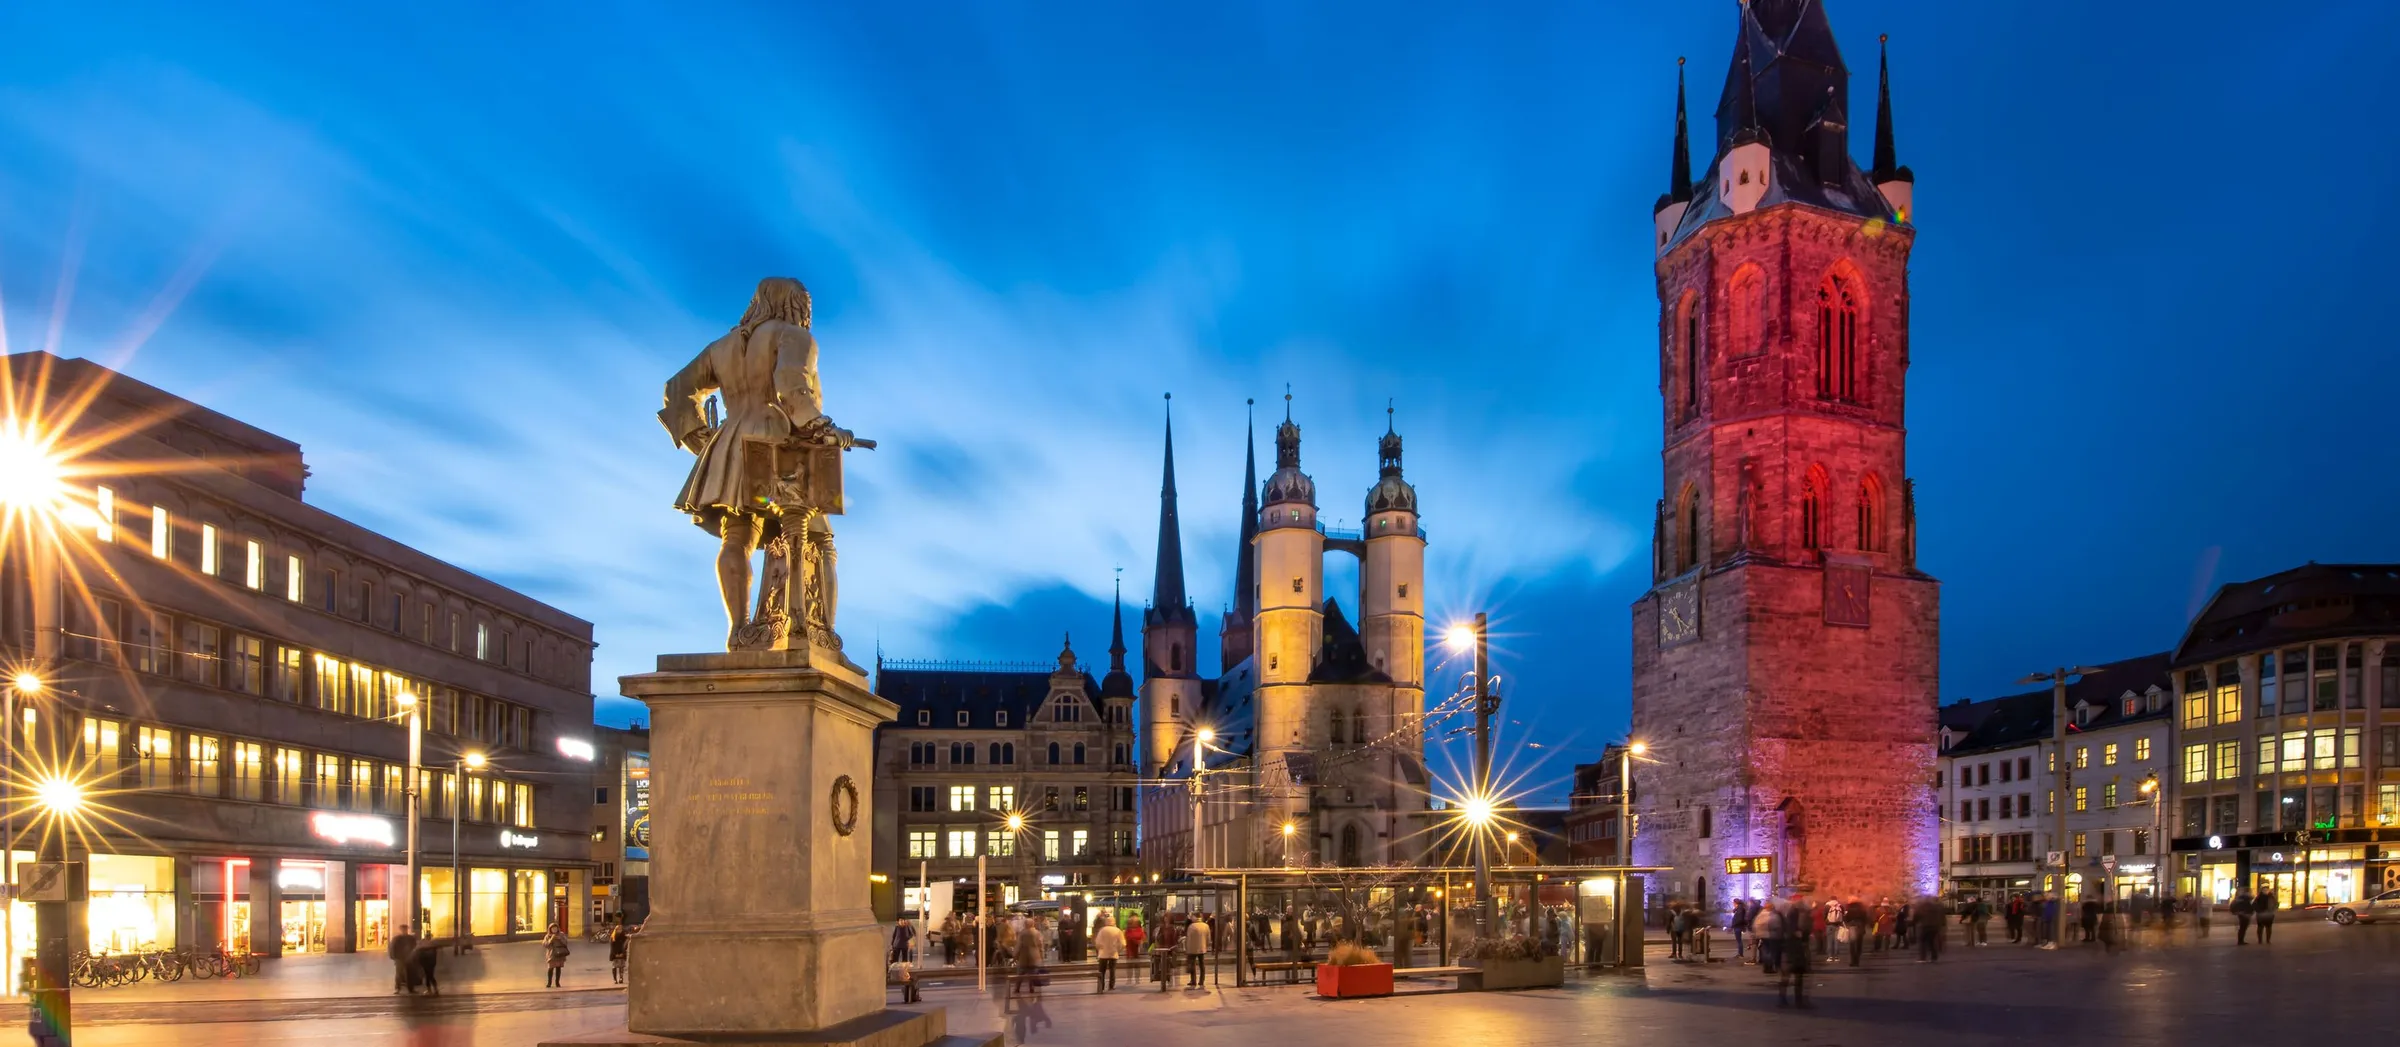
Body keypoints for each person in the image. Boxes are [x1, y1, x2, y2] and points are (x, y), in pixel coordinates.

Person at [1777, 900, 1811, 1008]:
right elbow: (1804, 935)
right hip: (1795, 951)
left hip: (1787, 951)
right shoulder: (1797, 924)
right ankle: (1798, 1001)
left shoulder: (1784, 921)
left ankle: (1783, 1000)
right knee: (1797, 977)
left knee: (1786, 977)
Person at [1094, 913, 1125, 992]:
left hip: (1103, 954)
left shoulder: (1102, 930)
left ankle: (1101, 986)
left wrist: (1100, 949)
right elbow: (1123, 943)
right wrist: (1118, 950)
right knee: (1112, 970)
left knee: (1102, 971)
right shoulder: (1118, 930)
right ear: (1114, 922)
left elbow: (1097, 942)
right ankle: (1111, 986)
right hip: (1113, 953)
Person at [1753, 899, 1784, 975]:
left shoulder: (1760, 915)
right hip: (1771, 935)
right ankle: (1769, 967)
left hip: (1762, 935)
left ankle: (1766, 966)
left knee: (1765, 951)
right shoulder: (1772, 915)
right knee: (1771, 952)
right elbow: (1776, 925)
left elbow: (1755, 925)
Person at [389, 923, 420, 994]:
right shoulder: (397, 939)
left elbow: (414, 948)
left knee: (409, 974)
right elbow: (392, 948)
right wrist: (394, 957)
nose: (404, 931)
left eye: (405, 929)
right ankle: (398, 988)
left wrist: (413, 956)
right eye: (403, 929)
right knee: (399, 974)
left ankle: (410, 988)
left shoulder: (411, 938)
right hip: (400, 958)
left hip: (408, 958)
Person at [1183, 913, 1212, 987]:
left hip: (1192, 949)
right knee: (1202, 965)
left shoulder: (1191, 926)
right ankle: (1201, 981)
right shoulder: (1206, 926)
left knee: (1192, 965)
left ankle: (1193, 980)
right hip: (1202, 948)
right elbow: (1208, 939)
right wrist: (1206, 945)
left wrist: (1187, 949)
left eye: (1192, 916)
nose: (1191, 918)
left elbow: (1188, 939)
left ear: (1195, 917)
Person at [1843, 897, 1869, 967]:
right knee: (1859, 944)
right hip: (1860, 926)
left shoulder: (1849, 909)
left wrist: (1847, 924)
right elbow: (1866, 919)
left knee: (1852, 944)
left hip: (1852, 926)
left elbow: (1845, 918)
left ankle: (1852, 960)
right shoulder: (1862, 909)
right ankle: (1857, 960)